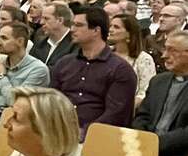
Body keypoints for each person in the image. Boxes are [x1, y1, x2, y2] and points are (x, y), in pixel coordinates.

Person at [52, 7, 137, 138]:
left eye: (79, 25)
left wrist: (86, 132)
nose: (72, 29)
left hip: (98, 138)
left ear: (96, 30)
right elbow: (52, 100)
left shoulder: (120, 70)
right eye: (73, 24)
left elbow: (116, 114)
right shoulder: (64, 63)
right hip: (58, 132)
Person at [133, 31, 188, 156]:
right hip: (147, 148)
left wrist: (155, 144)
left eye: (172, 50)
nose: (164, 55)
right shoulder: (159, 81)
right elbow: (142, 116)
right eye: (165, 49)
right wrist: (143, 140)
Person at [0, 22, 50, 136]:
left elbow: (17, 104)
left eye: (4, 38)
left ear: (20, 41)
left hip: (20, 121)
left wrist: (1, 77)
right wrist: (7, 101)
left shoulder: (38, 70)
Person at [108, 13, 156, 108]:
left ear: (129, 33)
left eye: (116, 27)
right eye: (110, 26)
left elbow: (145, 92)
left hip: (129, 108)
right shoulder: (104, 54)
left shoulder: (144, 59)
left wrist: (125, 108)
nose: (110, 30)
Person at [30, 2, 75, 68]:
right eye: (41, 18)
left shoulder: (74, 45)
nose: (41, 22)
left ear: (60, 20)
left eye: (46, 18)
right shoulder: (40, 42)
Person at [146, 1, 187, 72]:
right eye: (160, 15)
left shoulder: (186, 41)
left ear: (179, 20)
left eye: (167, 16)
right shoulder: (150, 40)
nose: (161, 19)